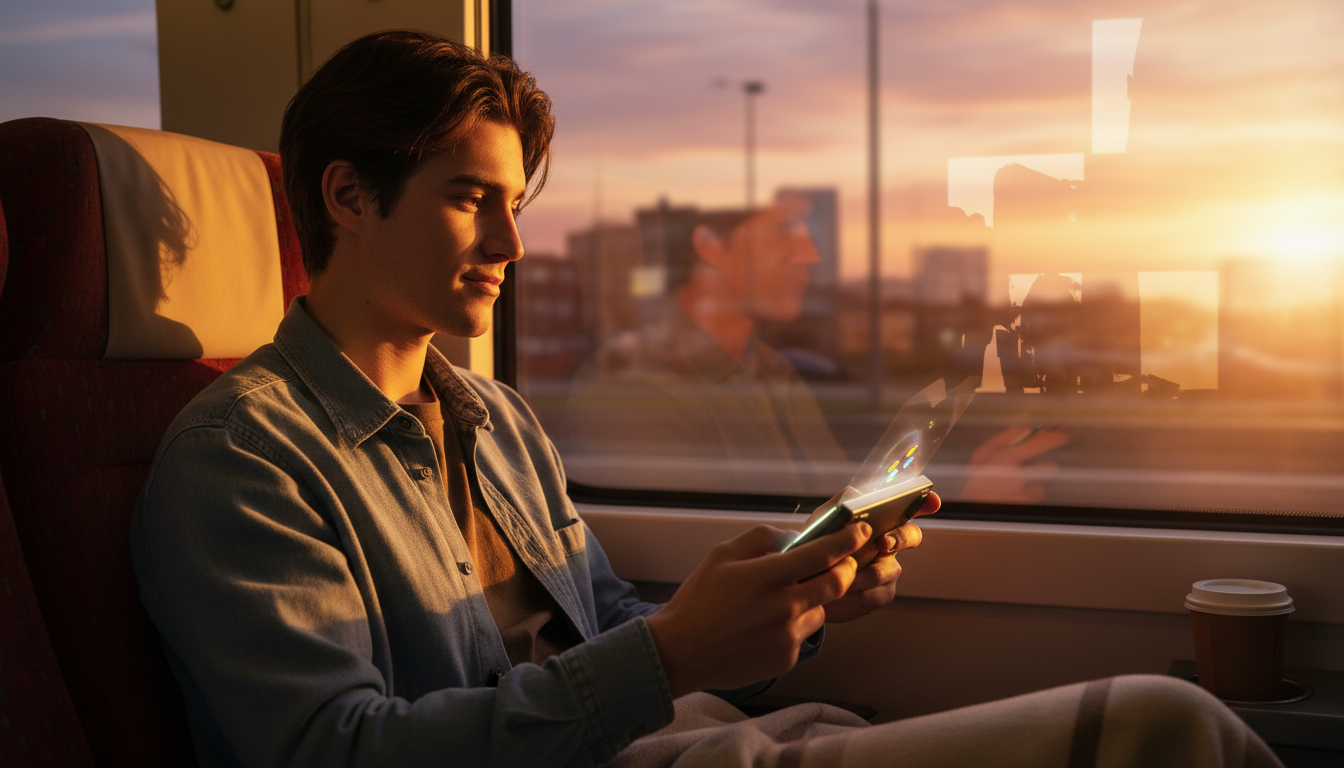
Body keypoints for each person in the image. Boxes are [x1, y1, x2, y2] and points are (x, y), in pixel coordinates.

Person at [131, 29, 1282, 768]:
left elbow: (608, 639)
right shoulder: (244, 461)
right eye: (469, 200)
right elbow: (334, 753)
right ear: (348, 196)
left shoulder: (499, 422)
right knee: (1166, 730)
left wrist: (785, 602)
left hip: (693, 735)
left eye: (513, 203)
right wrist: (672, 661)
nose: (513, 243)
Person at [563, 196, 850, 498]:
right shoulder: (633, 388)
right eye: (782, 231)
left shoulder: (772, 370)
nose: (809, 255)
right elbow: (690, 539)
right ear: (708, 244)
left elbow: (833, 498)